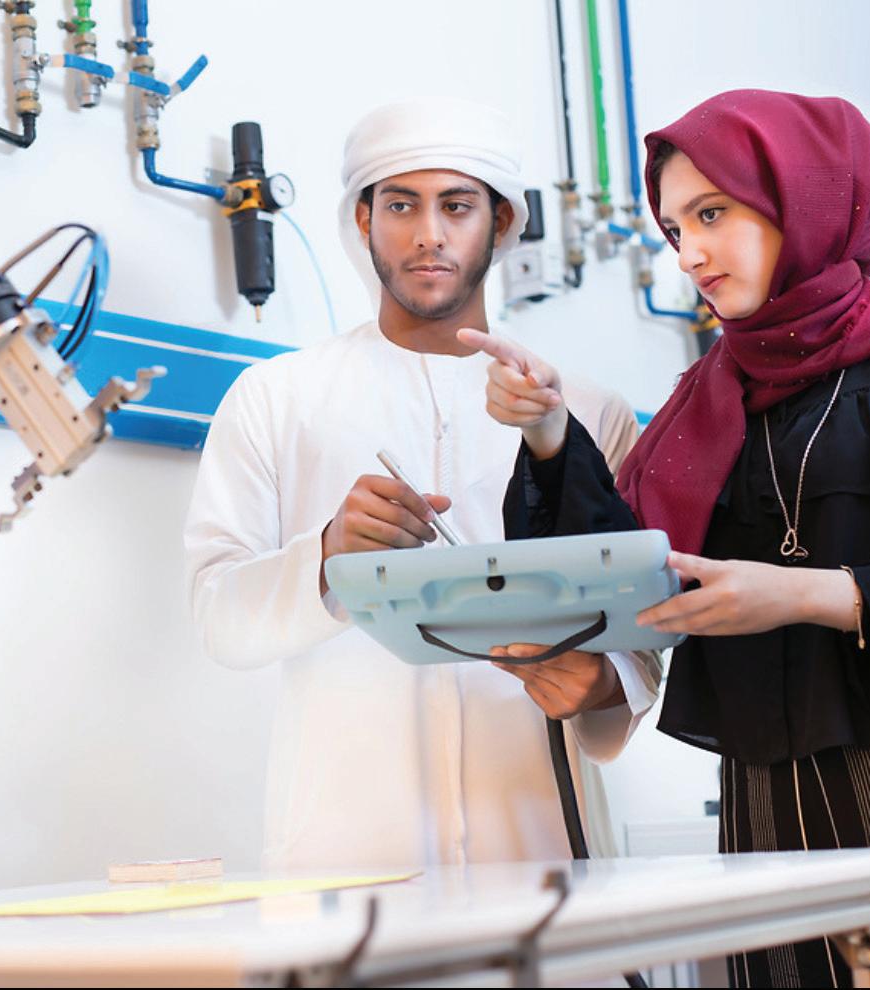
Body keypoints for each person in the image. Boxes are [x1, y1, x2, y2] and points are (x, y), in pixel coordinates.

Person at [462, 89, 870, 987]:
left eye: (711, 213)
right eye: (675, 229)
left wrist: (804, 594)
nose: (690, 253)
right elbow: (630, 570)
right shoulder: (709, 394)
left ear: (802, 197)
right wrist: (551, 431)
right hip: (765, 808)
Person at [183, 98, 661, 872]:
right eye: (401, 205)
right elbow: (219, 619)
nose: (429, 234)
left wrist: (601, 684)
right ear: (364, 220)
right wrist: (328, 556)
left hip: (540, 843)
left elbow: (643, 634)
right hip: (346, 858)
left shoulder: (586, 410)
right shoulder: (276, 398)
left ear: (502, 222)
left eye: (457, 206)